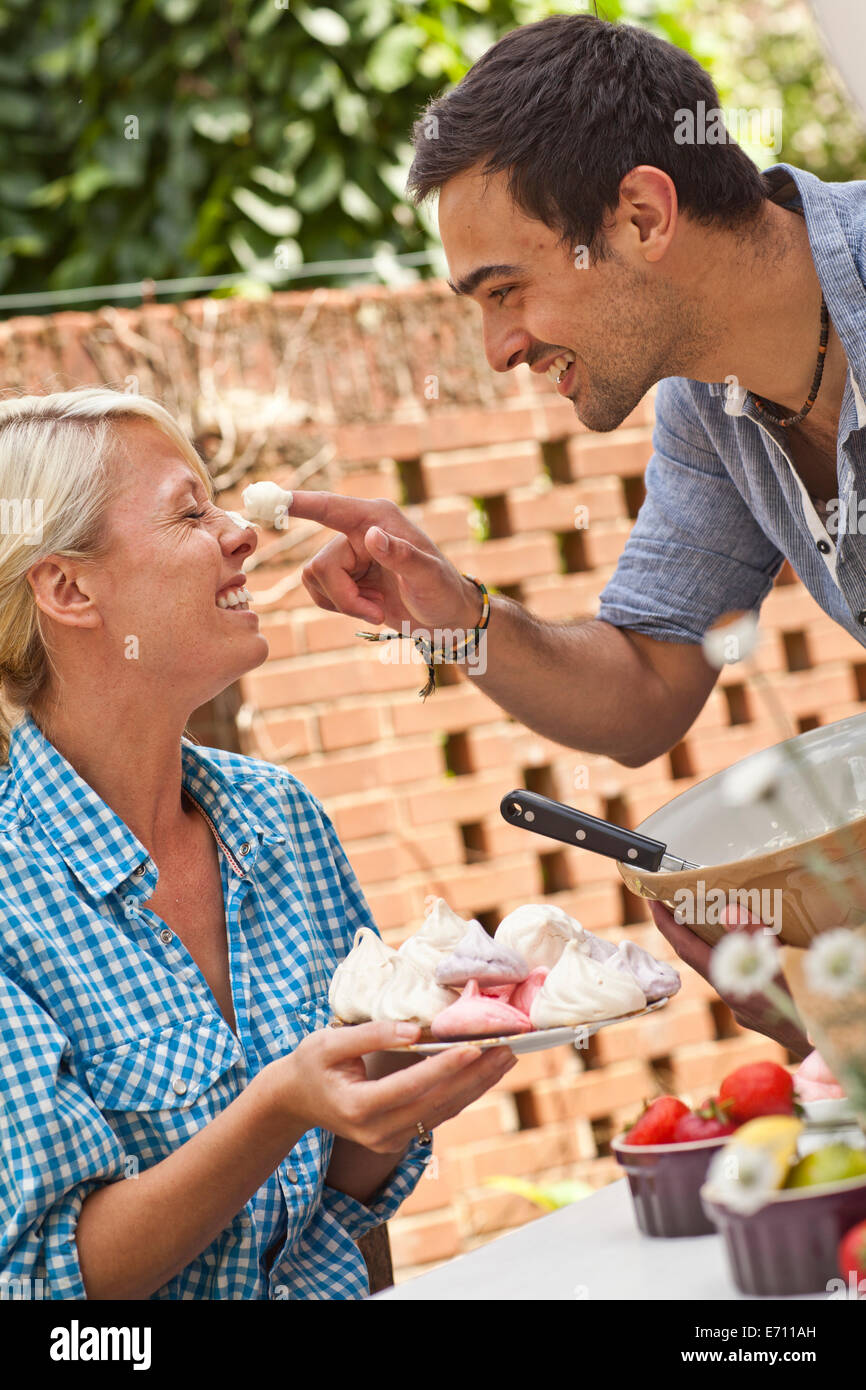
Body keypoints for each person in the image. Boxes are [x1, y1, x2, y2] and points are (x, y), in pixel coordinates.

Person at [288, 14, 864, 1058]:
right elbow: (644, 687)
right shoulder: (707, 411)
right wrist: (452, 619)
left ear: (643, 214)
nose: (497, 347)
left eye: (504, 291)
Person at [0, 387, 518, 1301]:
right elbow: (47, 1283)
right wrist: (278, 1107)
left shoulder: (279, 820)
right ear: (69, 588)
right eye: (190, 512)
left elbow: (343, 1216)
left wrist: (402, 1080)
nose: (240, 531)